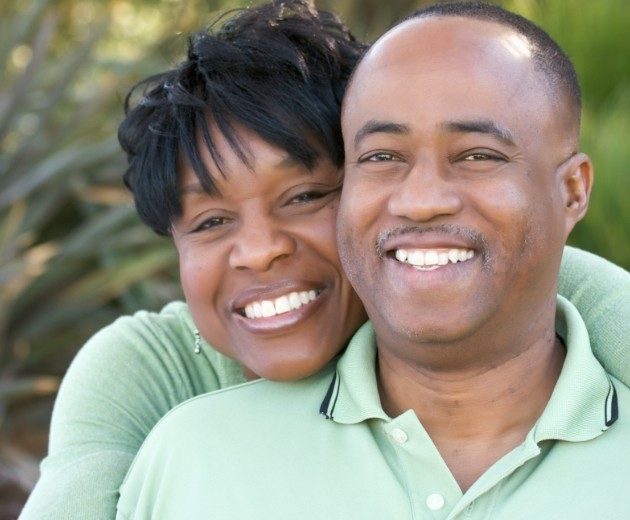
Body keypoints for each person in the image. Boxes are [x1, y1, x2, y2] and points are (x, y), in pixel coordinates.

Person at [22, 1, 629, 519]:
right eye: (210, 221)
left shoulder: (494, 290)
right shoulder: (159, 382)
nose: (260, 251)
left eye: (306, 196)